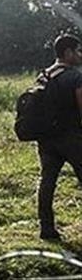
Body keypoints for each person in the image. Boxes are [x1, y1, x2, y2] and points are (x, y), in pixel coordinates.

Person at [35, 33, 82, 241]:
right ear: (68, 52)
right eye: (78, 51)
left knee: (47, 182)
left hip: (46, 139)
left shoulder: (44, 76)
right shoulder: (75, 77)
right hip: (72, 138)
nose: (80, 55)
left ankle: (47, 229)